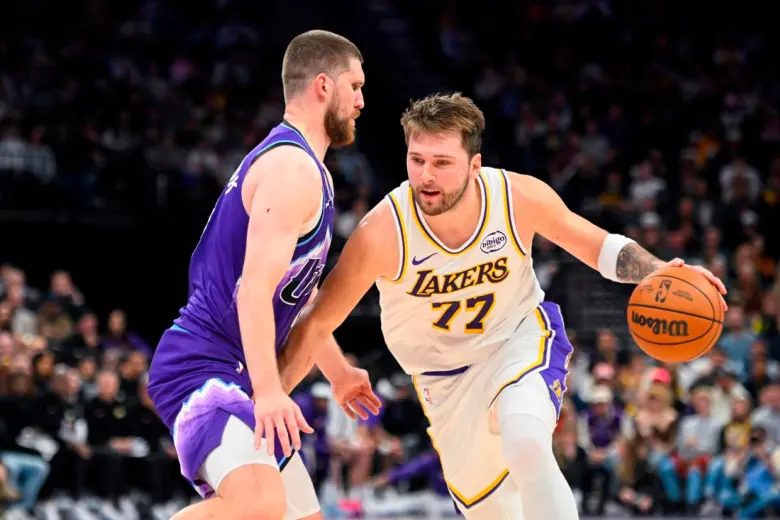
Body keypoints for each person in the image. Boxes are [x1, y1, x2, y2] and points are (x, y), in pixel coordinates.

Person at [279, 93, 728, 519]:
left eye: (441, 163)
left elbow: (598, 247)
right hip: (445, 382)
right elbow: (317, 323)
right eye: (416, 161)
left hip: (518, 341)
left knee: (527, 442)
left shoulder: (515, 197)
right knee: (495, 511)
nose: (426, 176)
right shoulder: (383, 230)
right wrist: (270, 395)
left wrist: (656, 272)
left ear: (475, 165)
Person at [146, 30, 380, 520]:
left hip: (237, 370)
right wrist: (271, 392)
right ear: (323, 85)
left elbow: (298, 298)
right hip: (203, 364)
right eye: (354, 86)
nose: (361, 99)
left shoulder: (312, 171)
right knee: (259, 506)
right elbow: (251, 292)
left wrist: (337, 373)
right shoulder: (291, 171)